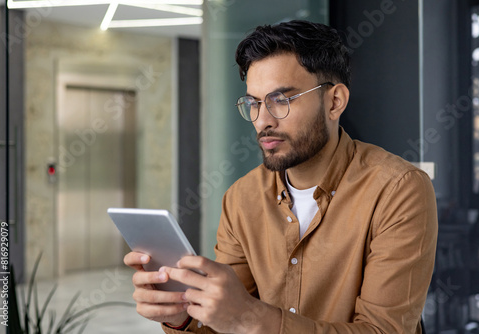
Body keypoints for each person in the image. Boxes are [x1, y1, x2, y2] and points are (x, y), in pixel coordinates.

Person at [124, 20, 438, 333]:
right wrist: (183, 319)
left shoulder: (398, 189)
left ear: (334, 101)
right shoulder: (240, 198)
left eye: (281, 100)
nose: (262, 121)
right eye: (254, 103)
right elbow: (230, 326)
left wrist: (251, 317)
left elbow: (384, 331)